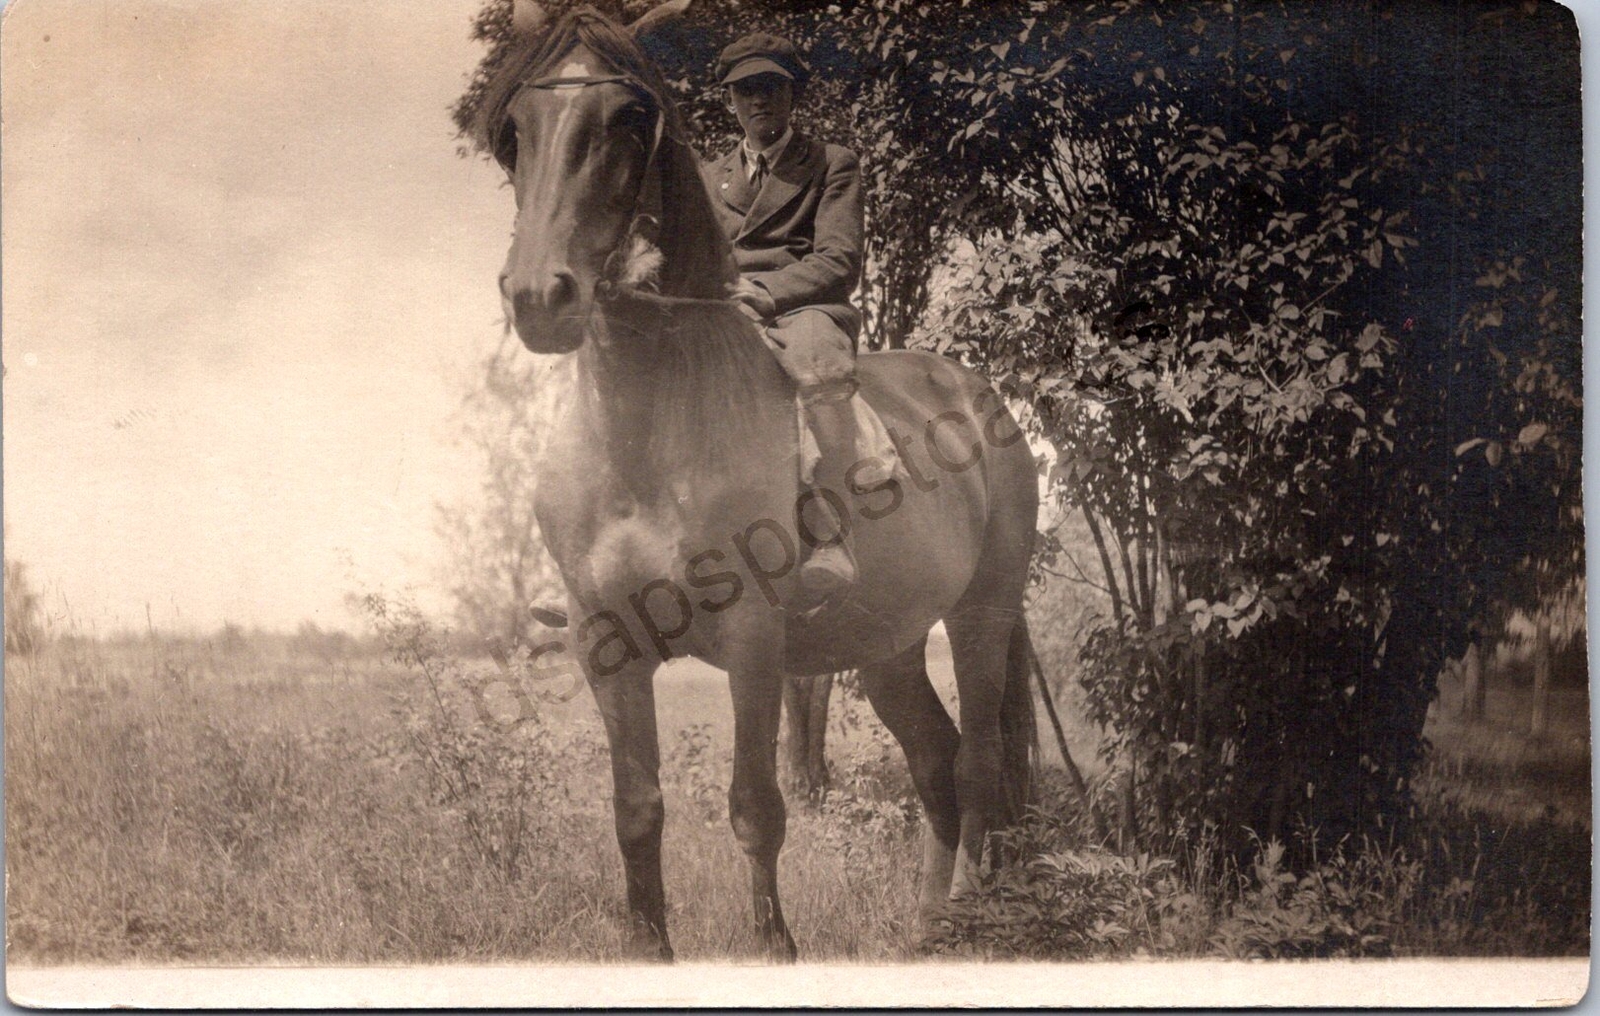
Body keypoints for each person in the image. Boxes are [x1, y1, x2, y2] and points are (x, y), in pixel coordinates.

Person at [702, 31, 865, 596]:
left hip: (803, 307)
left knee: (819, 365)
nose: (758, 101)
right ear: (730, 101)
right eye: (745, 91)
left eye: (770, 87)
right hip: (726, 311)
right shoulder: (709, 176)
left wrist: (766, 293)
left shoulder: (831, 163)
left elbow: (840, 259)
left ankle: (831, 531)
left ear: (793, 94)